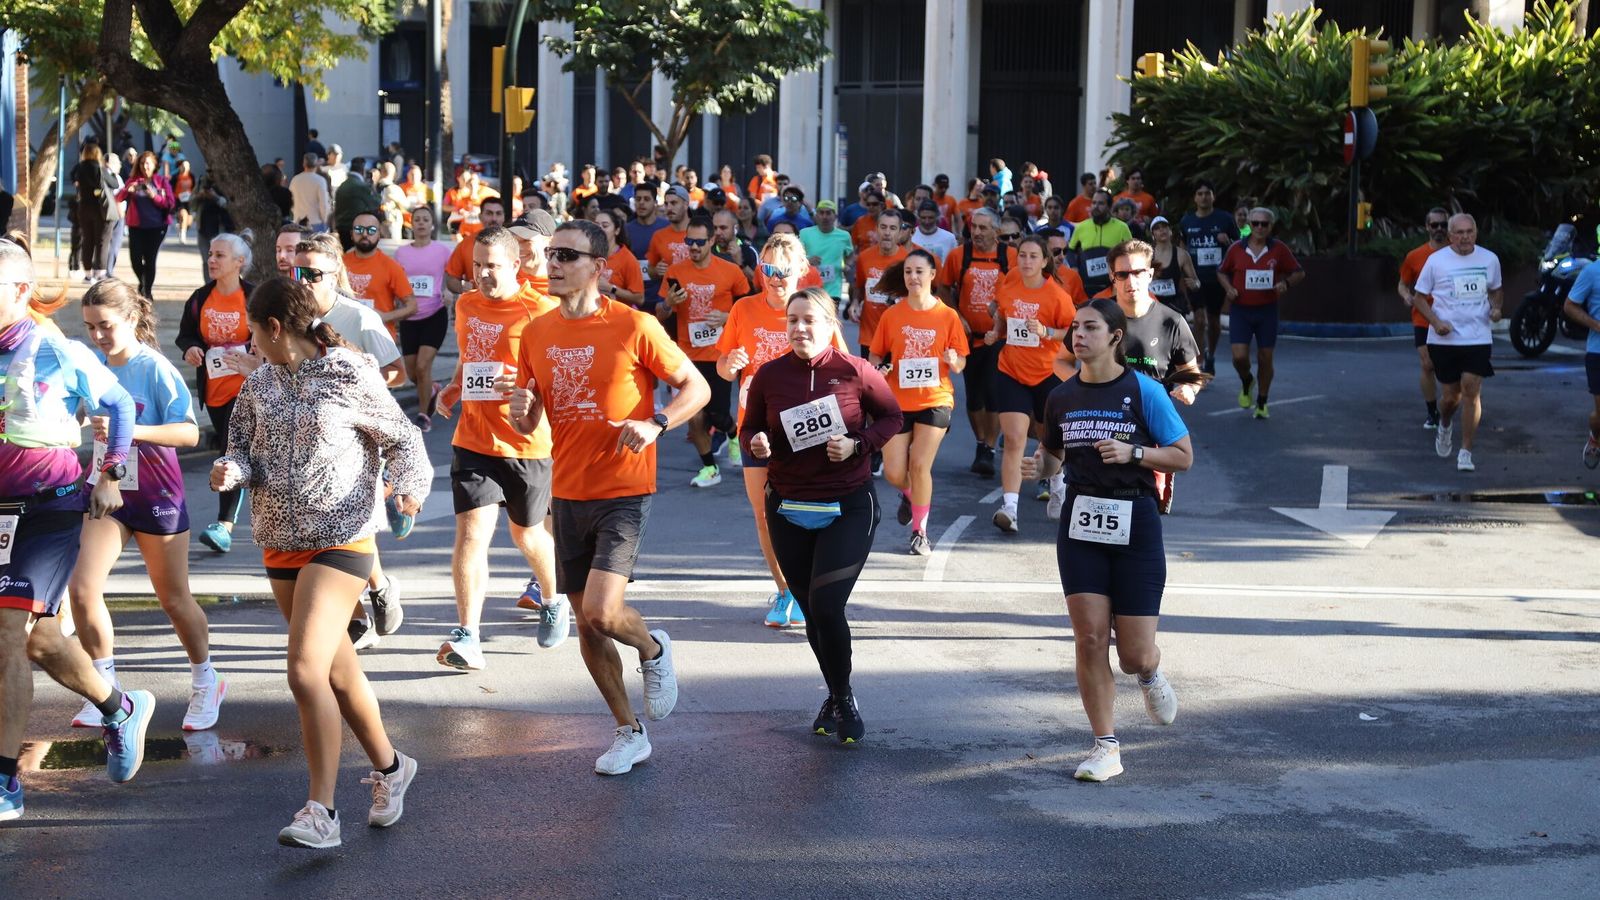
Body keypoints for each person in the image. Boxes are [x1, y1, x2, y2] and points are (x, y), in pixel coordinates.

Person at [211, 276, 427, 848]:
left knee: (304, 671)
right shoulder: (257, 385)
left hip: (343, 537)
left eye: (252, 330)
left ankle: (321, 811)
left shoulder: (348, 373)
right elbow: (240, 449)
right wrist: (232, 472)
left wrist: (408, 489)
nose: (250, 341)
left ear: (275, 327)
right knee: (336, 670)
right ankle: (391, 766)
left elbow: (403, 439)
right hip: (280, 538)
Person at [508, 219, 705, 775]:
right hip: (566, 490)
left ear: (599, 266)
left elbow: (698, 386)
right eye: (549, 255)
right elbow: (532, 414)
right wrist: (523, 415)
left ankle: (652, 648)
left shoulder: (634, 325)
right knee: (586, 622)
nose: (553, 264)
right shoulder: (537, 332)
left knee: (601, 611)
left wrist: (658, 422)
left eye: (566, 256)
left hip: (623, 486)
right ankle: (628, 731)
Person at [0, 242, 158, 822]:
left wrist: (111, 471)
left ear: (19, 292)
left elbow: (118, 404)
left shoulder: (58, 351)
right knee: (40, 641)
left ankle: (5, 782)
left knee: (6, 632)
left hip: (50, 507)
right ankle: (120, 707)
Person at [1027, 298, 1193, 783]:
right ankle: (1106, 746)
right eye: (1075, 328)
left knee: (1134, 653)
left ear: (1115, 336)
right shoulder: (1060, 397)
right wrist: (1037, 467)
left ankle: (1148, 674)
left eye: (1091, 327)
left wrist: (1134, 451)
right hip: (1081, 520)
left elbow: (1182, 457)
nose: (1079, 335)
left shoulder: (1144, 391)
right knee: (1090, 637)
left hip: (1135, 518)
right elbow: (1053, 458)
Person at [742, 287, 903, 742]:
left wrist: (859, 445)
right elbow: (749, 427)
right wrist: (756, 443)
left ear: (831, 324)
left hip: (848, 504)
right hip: (788, 504)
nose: (799, 328)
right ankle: (835, 692)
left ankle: (844, 695)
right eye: (792, 320)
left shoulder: (855, 371)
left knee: (828, 604)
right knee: (813, 610)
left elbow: (893, 417)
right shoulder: (769, 375)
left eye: (809, 319)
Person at [70, 278, 224, 732]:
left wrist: (128, 430)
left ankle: (206, 680)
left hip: (156, 494)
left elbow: (190, 434)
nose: (97, 335)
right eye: (89, 327)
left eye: (106, 325)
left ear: (132, 319)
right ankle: (103, 691)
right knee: (82, 589)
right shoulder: (91, 366)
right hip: (106, 490)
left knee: (174, 599)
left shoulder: (154, 368)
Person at [433, 224, 567, 667]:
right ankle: (468, 634)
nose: (482, 275)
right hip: (473, 439)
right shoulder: (467, 305)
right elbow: (470, 358)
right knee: (471, 535)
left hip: (526, 443)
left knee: (527, 535)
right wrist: (454, 388)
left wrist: (526, 385)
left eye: (492, 266)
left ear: (516, 265)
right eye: (476, 266)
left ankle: (552, 598)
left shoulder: (541, 310)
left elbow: (559, 379)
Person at [292, 233, 410, 647]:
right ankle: (372, 593)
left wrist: (357, 390)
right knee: (331, 525)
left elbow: (398, 372)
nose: (304, 280)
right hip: (310, 440)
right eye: (297, 271)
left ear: (335, 274)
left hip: (358, 439)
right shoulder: (292, 320)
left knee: (344, 522)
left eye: (313, 273)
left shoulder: (359, 319)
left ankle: (364, 606)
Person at [868, 251, 968, 555]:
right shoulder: (892, 315)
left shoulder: (947, 315)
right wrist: (877, 369)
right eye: (909, 272)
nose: (913, 277)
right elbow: (875, 355)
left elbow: (961, 361)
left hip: (936, 398)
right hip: (897, 400)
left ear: (932, 275)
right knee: (894, 473)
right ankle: (911, 495)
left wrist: (954, 359)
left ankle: (920, 532)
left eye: (919, 271)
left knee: (920, 464)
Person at [985, 235, 1076, 533]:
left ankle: (1058, 484)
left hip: (1047, 374)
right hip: (1011, 370)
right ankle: (1009, 507)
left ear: (1045, 261)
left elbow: (1073, 332)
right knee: (1014, 439)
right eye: (1022, 255)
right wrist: (995, 327)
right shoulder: (1010, 280)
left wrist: (1046, 330)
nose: (1026, 261)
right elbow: (999, 310)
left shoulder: (1057, 296)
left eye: (1033, 256)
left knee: (1048, 439)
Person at [175, 232, 257, 554]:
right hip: (215, 389)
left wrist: (254, 354)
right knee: (234, 451)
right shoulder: (199, 299)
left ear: (239, 262)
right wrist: (192, 348)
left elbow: (271, 334)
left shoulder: (252, 298)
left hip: (248, 389)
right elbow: (186, 335)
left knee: (230, 450)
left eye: (220, 255)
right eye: (210, 253)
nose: (212, 260)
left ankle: (224, 525)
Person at [662, 218, 750, 488]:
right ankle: (710, 468)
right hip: (688, 355)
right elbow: (661, 313)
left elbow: (746, 306)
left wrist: (725, 317)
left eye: (700, 242)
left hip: (719, 353)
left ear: (712, 240)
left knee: (717, 415)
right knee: (695, 415)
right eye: (689, 242)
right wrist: (668, 303)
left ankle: (732, 432)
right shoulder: (676, 271)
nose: (694, 247)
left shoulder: (730, 270)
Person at [1413, 213, 1501, 472]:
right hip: (1445, 338)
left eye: (1469, 232)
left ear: (1475, 233)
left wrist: (1496, 308)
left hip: (1477, 335)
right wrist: (1436, 322)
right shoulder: (1436, 261)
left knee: (1471, 390)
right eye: (1459, 233)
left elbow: (1496, 289)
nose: (1465, 237)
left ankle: (1466, 451)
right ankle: (1445, 423)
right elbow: (1419, 298)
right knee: (1451, 397)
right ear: (1450, 236)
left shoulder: (1489, 259)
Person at [938, 208, 1017, 477]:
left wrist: (1006, 316)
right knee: (974, 395)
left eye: (984, 228)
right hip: (968, 337)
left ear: (997, 231)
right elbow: (943, 287)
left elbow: (1021, 288)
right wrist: (957, 317)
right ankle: (981, 442)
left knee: (993, 392)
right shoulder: (959, 255)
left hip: (1000, 337)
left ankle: (990, 449)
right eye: (974, 227)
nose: (978, 232)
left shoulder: (1010, 257)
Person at [1217, 207, 1304, 419]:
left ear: (1270, 227)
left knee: (1266, 357)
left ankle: (1262, 401)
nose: (1259, 228)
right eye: (1255, 223)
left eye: (1264, 224)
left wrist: (1286, 283)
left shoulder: (1279, 249)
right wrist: (1229, 289)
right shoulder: (1237, 248)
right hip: (1241, 310)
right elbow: (1221, 271)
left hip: (1267, 311)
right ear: (1249, 224)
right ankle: (1247, 380)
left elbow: (1299, 272)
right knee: (1239, 357)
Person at [394, 205, 453, 431]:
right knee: (411, 372)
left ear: (431, 224)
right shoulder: (401, 253)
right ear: (411, 223)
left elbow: (452, 276)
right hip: (409, 316)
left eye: (425, 219)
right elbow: (397, 283)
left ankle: (423, 415)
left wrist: (449, 292)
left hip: (434, 314)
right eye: (417, 219)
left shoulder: (442, 251)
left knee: (422, 366)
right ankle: (433, 389)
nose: (420, 223)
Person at [1178, 181, 1239, 374]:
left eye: (1207, 193)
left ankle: (1211, 354)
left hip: (1217, 278)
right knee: (1199, 319)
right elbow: (1182, 249)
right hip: (1194, 278)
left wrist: (1227, 241)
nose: (1204, 197)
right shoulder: (1187, 221)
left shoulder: (1225, 219)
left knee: (1213, 320)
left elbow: (1239, 248)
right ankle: (1199, 360)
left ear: (1213, 196)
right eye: (1200, 193)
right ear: (1195, 198)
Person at [1398, 208, 1451, 430]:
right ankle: (1432, 412)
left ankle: (1451, 404)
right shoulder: (1415, 256)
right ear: (1427, 227)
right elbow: (1402, 283)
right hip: (1423, 317)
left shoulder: (1458, 252)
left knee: (1449, 367)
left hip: (1450, 317)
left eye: (1443, 225)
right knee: (1427, 365)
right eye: (1434, 225)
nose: (1439, 229)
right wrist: (1406, 295)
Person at [343, 210, 418, 338]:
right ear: (351, 234)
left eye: (371, 230)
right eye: (359, 229)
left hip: (380, 339)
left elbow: (412, 307)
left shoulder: (391, 266)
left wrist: (384, 317)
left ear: (379, 234)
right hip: (345, 338)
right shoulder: (339, 263)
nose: (365, 234)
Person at [853, 209, 912, 358]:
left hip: (899, 337)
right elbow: (859, 287)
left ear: (899, 233)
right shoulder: (864, 257)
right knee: (871, 381)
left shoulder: (909, 260)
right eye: (883, 227)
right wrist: (854, 303)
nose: (887, 233)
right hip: (870, 336)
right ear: (876, 229)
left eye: (892, 228)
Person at [116, 151, 176, 298]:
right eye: (142, 163)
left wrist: (154, 196)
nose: (145, 166)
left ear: (155, 165)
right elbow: (118, 197)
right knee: (135, 258)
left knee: (150, 258)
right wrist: (128, 190)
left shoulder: (161, 181)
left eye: (148, 163)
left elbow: (170, 203)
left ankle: (147, 291)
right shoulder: (134, 181)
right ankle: (143, 282)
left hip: (157, 227)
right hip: (136, 226)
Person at [1562, 246, 1600, 468]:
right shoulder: (1592, 272)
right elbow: (1570, 306)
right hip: (1597, 351)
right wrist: (1596, 325)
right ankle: (1596, 435)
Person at [1067, 190, 1133, 298]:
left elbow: (1131, 252)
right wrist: (1074, 267)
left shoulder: (1122, 227)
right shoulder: (1082, 227)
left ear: (1110, 207)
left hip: (1112, 287)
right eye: (1094, 203)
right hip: (1087, 286)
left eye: (1101, 203)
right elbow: (1070, 250)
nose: (1096, 206)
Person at [444, 195, 508, 296]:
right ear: (480, 216)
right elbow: (451, 278)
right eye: (489, 213)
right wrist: (461, 287)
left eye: (498, 214)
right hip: (476, 304)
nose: (494, 218)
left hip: (507, 304)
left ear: (504, 217)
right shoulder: (466, 243)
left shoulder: (514, 243)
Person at [799, 200, 855, 312]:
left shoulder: (844, 236)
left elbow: (850, 254)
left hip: (833, 290)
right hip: (810, 289)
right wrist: (807, 260)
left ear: (835, 216)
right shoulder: (804, 233)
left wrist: (847, 264)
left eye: (829, 213)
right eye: (821, 213)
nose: (825, 217)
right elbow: (795, 257)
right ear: (816, 215)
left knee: (829, 324)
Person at [646, 187, 694, 312]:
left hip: (695, 299)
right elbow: (650, 271)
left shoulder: (699, 232)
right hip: (669, 303)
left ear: (686, 204)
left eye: (674, 203)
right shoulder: (659, 236)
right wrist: (656, 271)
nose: (669, 208)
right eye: (666, 204)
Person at [1146, 217, 1200, 316]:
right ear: (1153, 234)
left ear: (1170, 231)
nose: (1162, 230)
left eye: (1164, 227)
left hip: (1174, 305)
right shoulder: (1145, 255)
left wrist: (1195, 285)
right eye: (1157, 228)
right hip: (1152, 306)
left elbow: (1197, 282)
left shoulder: (1182, 255)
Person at [73, 144, 112, 282]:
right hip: (99, 208)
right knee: (101, 241)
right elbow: (114, 184)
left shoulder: (79, 167)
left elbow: (74, 180)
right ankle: (100, 272)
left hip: (83, 207)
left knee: (87, 240)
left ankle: (88, 273)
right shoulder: (99, 168)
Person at [595, 207, 646, 307]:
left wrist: (611, 288)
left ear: (617, 230)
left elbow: (640, 298)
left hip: (619, 317)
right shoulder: (589, 254)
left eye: (605, 226)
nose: (600, 229)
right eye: (596, 226)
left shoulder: (628, 259)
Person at [333, 161, 380, 250]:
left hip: (341, 226)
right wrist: (373, 187)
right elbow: (375, 203)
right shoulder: (360, 186)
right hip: (356, 227)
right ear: (363, 170)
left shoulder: (342, 185)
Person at [192, 176, 234, 265]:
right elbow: (192, 204)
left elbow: (232, 206)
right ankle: (208, 279)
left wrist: (215, 197)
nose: (210, 174)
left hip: (221, 228)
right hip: (203, 228)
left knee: (221, 261)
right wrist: (199, 196)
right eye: (208, 171)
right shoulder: (201, 182)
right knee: (206, 261)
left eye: (211, 171)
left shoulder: (228, 182)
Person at [289, 153, 332, 232]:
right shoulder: (320, 180)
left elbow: (290, 200)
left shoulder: (295, 180)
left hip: (298, 220)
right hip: (316, 221)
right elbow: (324, 204)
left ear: (303, 164)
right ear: (316, 164)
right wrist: (324, 220)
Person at [910, 200, 958, 264]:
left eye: (930, 218)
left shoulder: (949, 238)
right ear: (918, 217)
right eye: (923, 218)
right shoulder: (910, 236)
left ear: (937, 217)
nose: (927, 221)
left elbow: (955, 262)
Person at [172, 159, 196, 245]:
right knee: (183, 214)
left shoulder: (191, 176)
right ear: (180, 167)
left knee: (189, 221)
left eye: (187, 166)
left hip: (188, 201)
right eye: (183, 166)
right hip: (179, 200)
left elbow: (194, 188)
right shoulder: (175, 177)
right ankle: (182, 235)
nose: (185, 168)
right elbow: (171, 188)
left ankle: (180, 227)